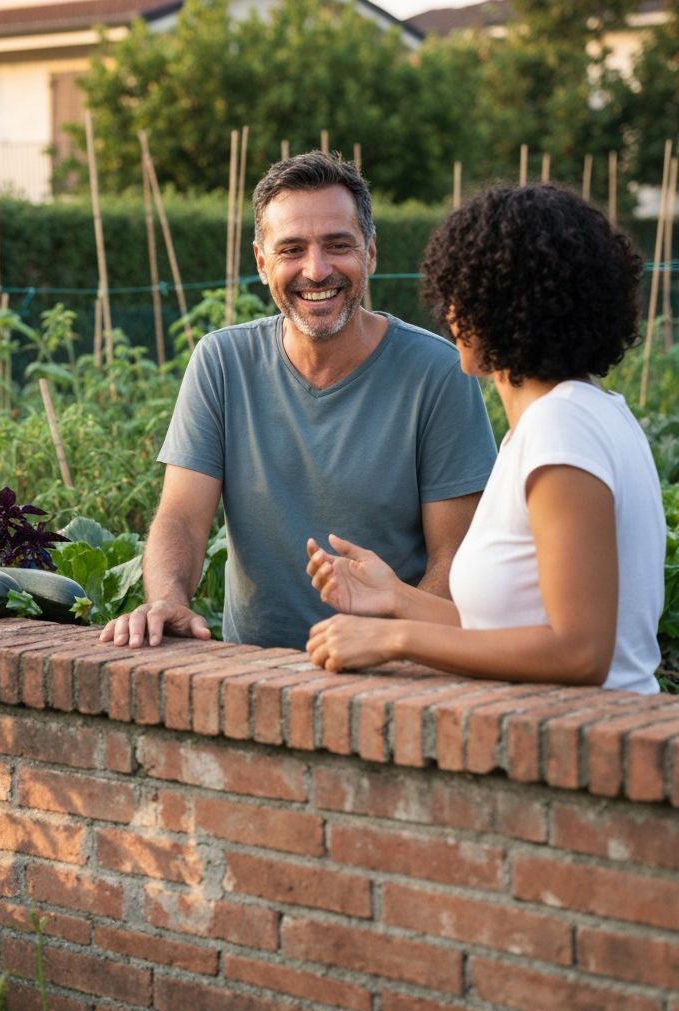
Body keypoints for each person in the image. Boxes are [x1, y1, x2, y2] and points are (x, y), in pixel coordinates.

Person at [100, 150, 497, 651]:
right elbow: (181, 516)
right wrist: (167, 599)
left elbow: (453, 559)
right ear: (262, 263)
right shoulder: (223, 362)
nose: (316, 269)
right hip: (250, 672)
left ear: (371, 253)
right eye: (292, 249)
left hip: (391, 671)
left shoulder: (436, 372)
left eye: (338, 245)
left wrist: (390, 645)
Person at [305, 183, 665, 694]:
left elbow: (580, 651)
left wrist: (395, 640)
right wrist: (396, 598)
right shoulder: (581, 415)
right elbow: (507, 635)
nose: (450, 313)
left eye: (463, 294)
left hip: (586, 736)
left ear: (497, 308)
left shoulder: (561, 428)